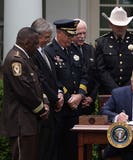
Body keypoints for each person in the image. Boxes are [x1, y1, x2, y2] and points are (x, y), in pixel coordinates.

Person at [0, 27, 49, 160]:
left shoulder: (25, 58)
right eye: (35, 44)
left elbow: (37, 84)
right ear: (26, 43)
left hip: (28, 121)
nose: (37, 47)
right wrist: (41, 109)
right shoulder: (16, 60)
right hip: (21, 122)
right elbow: (24, 92)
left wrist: (45, 101)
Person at [45, 19, 88, 160]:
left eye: (72, 36)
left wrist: (80, 95)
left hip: (76, 108)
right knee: (58, 149)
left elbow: (84, 74)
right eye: (69, 36)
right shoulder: (50, 51)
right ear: (59, 33)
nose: (72, 39)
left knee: (74, 148)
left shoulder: (75, 50)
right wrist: (69, 97)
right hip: (61, 108)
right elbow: (53, 79)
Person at [31, 18, 64, 160]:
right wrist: (55, 98)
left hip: (53, 104)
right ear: (37, 37)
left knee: (51, 147)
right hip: (45, 106)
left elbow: (53, 76)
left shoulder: (44, 52)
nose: (49, 39)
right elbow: (41, 80)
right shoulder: (33, 54)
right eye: (46, 37)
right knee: (43, 149)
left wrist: (59, 92)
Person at [96, 6, 133, 94]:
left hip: (132, 90)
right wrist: (115, 89)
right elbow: (101, 70)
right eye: (117, 25)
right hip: (108, 91)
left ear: (127, 25)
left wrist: (127, 88)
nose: (120, 28)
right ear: (110, 24)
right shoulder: (102, 42)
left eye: (122, 25)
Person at [71, 18, 98, 115]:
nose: (82, 36)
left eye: (84, 33)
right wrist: (78, 97)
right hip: (72, 102)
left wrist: (91, 97)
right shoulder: (67, 50)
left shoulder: (90, 49)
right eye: (79, 34)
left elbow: (96, 75)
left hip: (88, 102)